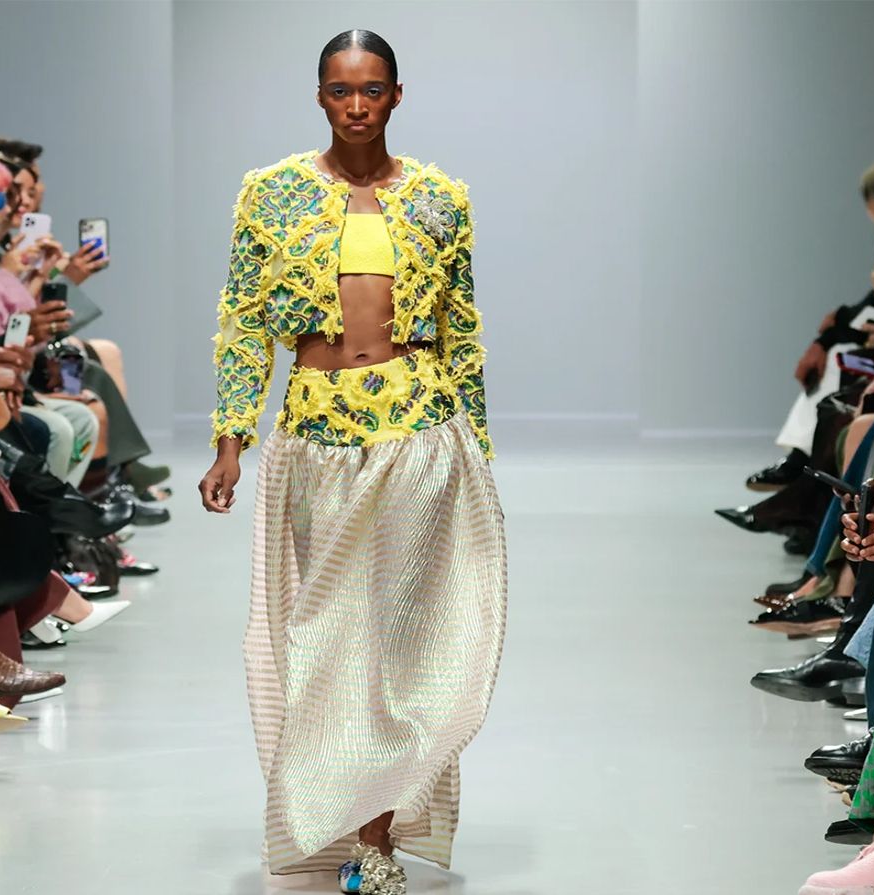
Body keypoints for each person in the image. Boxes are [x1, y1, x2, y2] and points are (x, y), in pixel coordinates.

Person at [198, 30, 506, 895]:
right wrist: (231, 440)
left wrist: (477, 448)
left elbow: (462, 330)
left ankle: (374, 837)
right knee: (326, 634)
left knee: (397, 635)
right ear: (321, 97)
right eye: (341, 90)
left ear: (398, 96)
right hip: (316, 435)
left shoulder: (443, 199)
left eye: (372, 89)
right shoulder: (271, 195)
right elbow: (243, 324)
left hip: (419, 427)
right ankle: (332, 808)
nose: (358, 105)